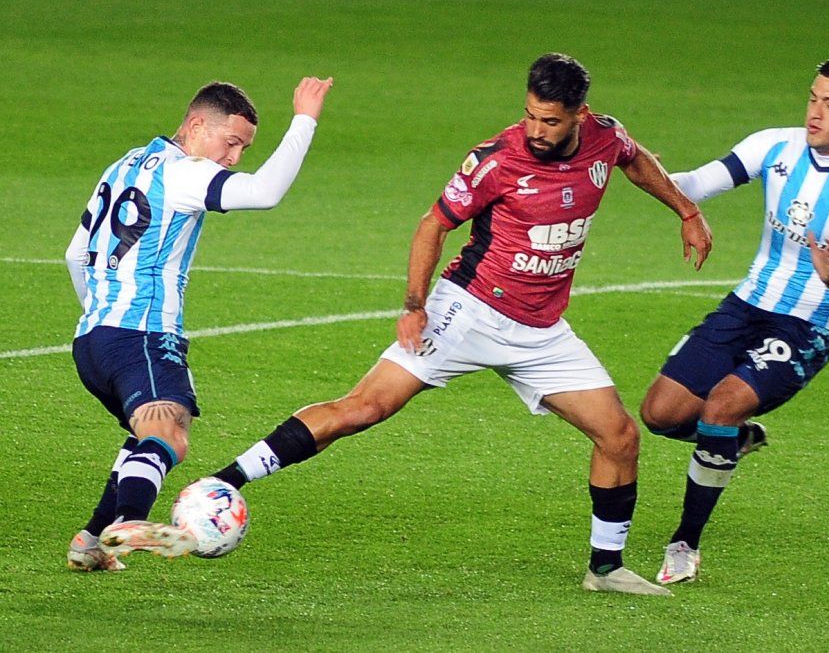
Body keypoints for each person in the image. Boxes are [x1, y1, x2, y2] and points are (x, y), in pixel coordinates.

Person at [119, 53, 711, 594]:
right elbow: (434, 224)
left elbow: (635, 162)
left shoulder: (605, 138)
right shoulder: (496, 161)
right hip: (467, 311)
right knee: (363, 408)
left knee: (620, 436)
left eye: (551, 122)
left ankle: (604, 569)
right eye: (530, 115)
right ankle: (221, 484)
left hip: (541, 330)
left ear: (579, 114)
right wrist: (415, 305)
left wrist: (686, 210)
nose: (536, 130)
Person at [639, 56, 829, 585]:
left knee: (722, 404)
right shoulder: (774, 146)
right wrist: (646, 169)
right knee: (659, 414)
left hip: (809, 325)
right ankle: (730, 442)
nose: (815, 113)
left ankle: (685, 542)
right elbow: (694, 185)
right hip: (747, 305)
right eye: (813, 98)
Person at [64, 76, 334, 571]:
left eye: (243, 148)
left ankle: (92, 543)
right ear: (195, 126)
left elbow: (75, 253)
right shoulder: (183, 173)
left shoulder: (125, 163)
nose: (234, 157)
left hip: (93, 341)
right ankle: (125, 522)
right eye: (231, 142)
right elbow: (265, 192)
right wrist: (305, 119)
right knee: (168, 434)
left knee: (149, 434)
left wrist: (98, 316)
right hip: (141, 336)